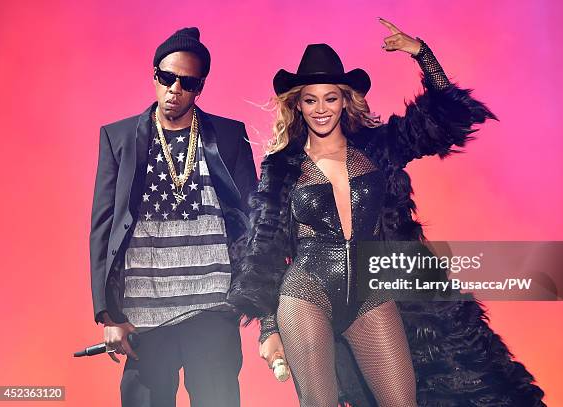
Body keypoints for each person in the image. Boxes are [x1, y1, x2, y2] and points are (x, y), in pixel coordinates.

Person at [228, 18, 545, 406]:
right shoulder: (282, 165)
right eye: (310, 99)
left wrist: (423, 55)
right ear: (297, 104)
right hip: (306, 291)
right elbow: (265, 247)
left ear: (345, 99)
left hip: (370, 290)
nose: (321, 109)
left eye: (330, 97)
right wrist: (268, 328)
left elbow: (445, 120)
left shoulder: (379, 147)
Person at [89, 27, 257, 406]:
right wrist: (108, 314)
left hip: (213, 310)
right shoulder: (118, 139)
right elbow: (102, 228)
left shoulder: (230, 136)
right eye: (166, 78)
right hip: (144, 316)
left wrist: (254, 300)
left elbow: (253, 222)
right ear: (154, 75)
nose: (174, 89)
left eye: (187, 82)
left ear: (200, 88)